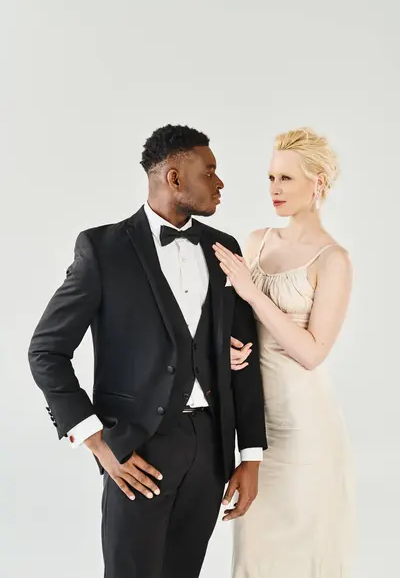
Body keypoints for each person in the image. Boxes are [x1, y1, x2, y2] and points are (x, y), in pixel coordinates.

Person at [28, 124, 267, 578]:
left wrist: (250, 455)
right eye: (210, 172)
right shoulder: (103, 249)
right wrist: (98, 443)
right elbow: (46, 351)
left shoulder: (224, 248)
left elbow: (245, 355)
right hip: (137, 450)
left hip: (211, 449)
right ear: (174, 178)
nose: (220, 183)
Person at [214, 127, 355, 577]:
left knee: (306, 550)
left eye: (286, 179)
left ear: (317, 183)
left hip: (304, 427)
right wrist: (229, 351)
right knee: (253, 556)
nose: (274, 189)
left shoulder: (334, 260)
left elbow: (313, 352)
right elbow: (236, 323)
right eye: (271, 177)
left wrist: (254, 295)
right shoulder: (256, 241)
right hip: (255, 424)